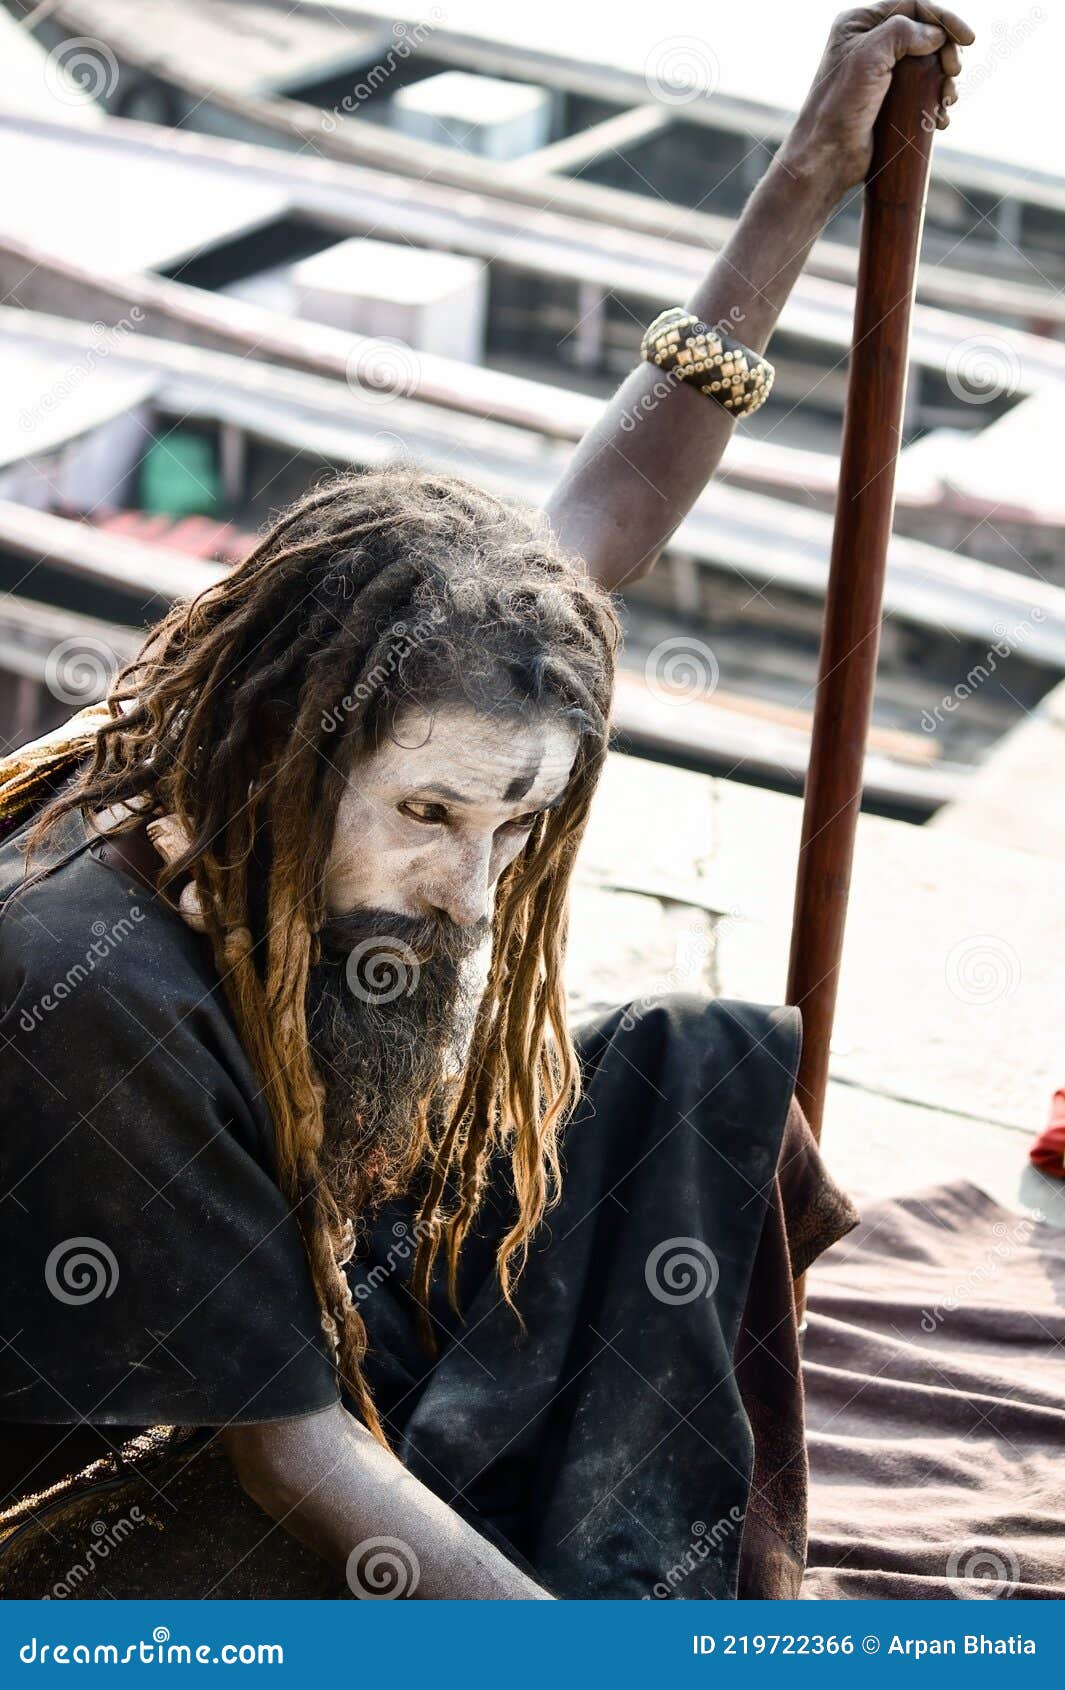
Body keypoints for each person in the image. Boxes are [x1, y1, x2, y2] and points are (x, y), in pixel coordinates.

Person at [0, 3, 971, 1600]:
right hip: (112, 1500)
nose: (472, 888)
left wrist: (803, 179)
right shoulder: (78, 968)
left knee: (685, 1063)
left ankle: (678, 1581)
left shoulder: (346, 721)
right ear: (292, 752)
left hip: (296, 1327)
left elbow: (603, 512)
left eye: (512, 825)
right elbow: (291, 1455)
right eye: (432, 820)